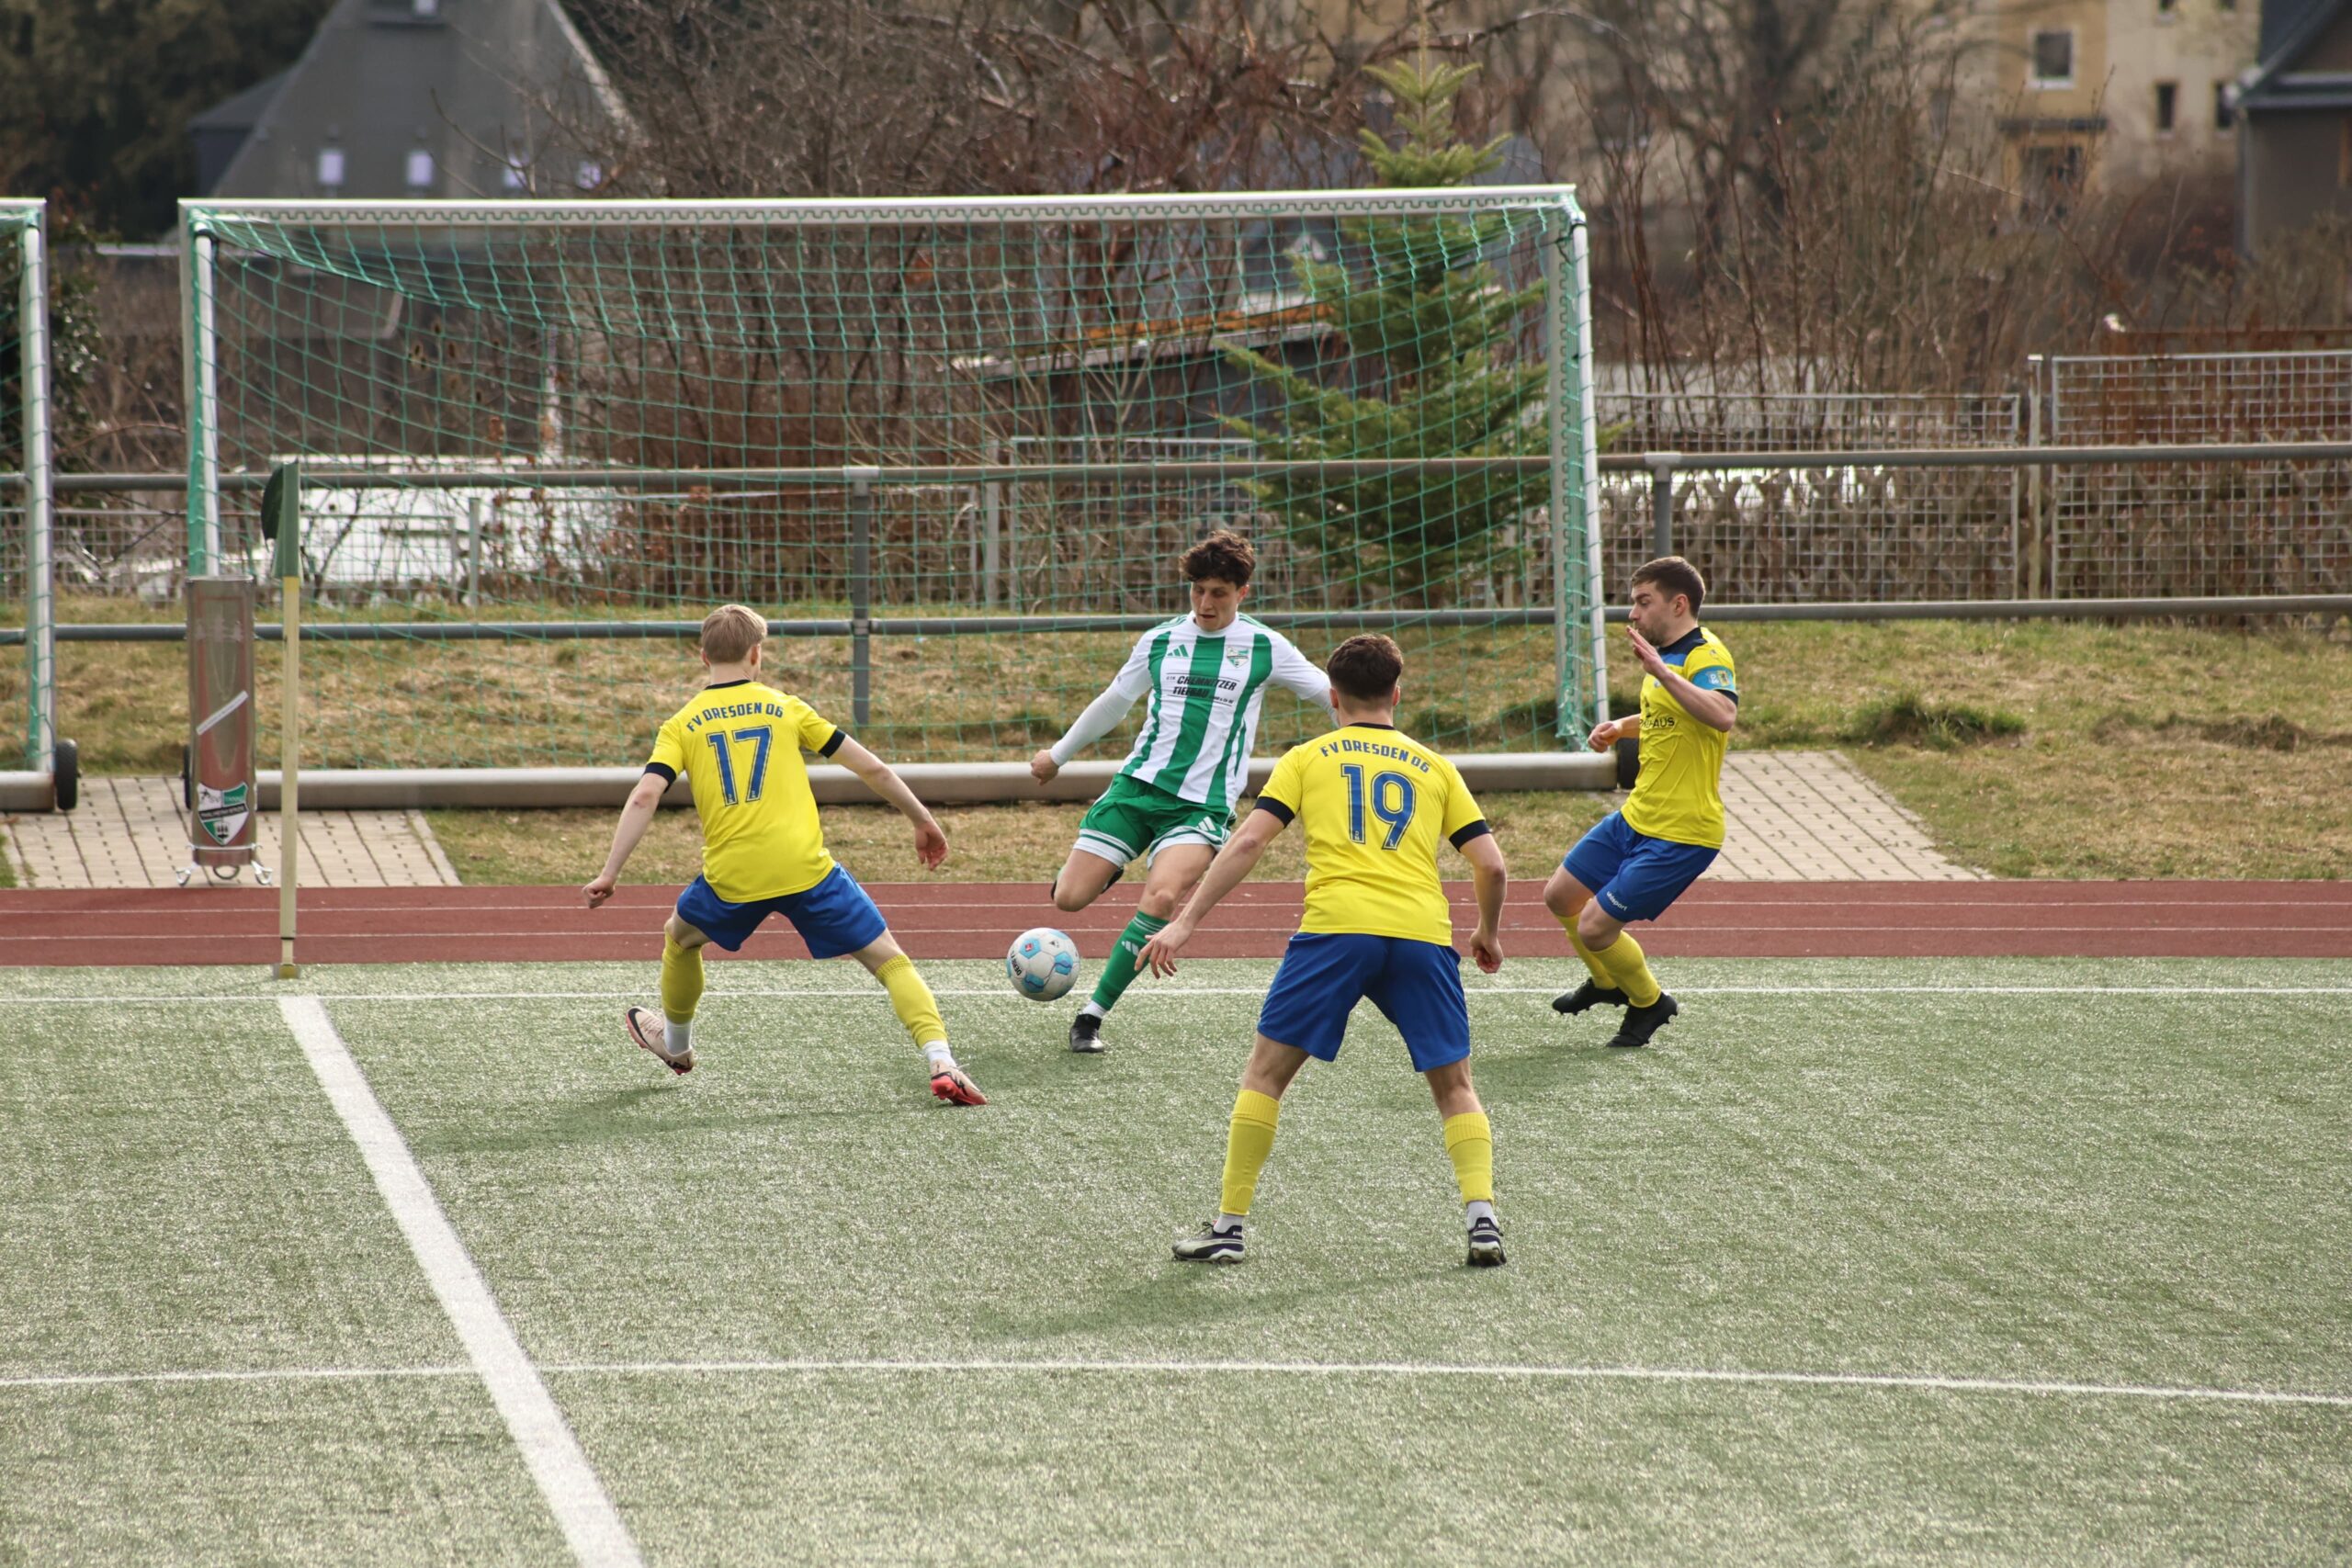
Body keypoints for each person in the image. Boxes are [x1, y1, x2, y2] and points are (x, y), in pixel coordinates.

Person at [1138, 634, 1510, 1268]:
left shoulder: (1308, 757)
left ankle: (1229, 1226)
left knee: (1266, 1074)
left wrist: (1185, 920)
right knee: (1454, 1085)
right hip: (1421, 934)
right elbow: (1492, 864)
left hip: (1337, 930)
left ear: (1331, 697)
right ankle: (1482, 1218)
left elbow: (1250, 843)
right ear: (1398, 693)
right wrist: (1486, 930)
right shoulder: (1435, 765)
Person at [583, 603, 985, 1106]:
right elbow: (873, 769)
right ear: (758, 654)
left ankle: (677, 1047)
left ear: (702, 656)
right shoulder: (786, 707)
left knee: (680, 939)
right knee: (890, 961)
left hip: (732, 877)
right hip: (807, 869)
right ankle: (942, 1060)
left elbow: (646, 796)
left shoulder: (681, 724)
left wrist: (610, 871)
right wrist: (922, 819)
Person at [1029, 530, 1332, 1055]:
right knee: (1068, 900)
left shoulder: (1264, 646)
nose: (1205, 603)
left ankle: (1090, 1017)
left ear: (1243, 592)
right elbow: (1113, 702)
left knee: (1164, 897)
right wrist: (1057, 755)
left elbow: (1331, 693)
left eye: (1218, 592)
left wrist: (1364, 741)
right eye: (1197, 590)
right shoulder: (1160, 639)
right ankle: (1109, 865)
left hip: (1201, 806)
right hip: (1137, 789)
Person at [1545, 556, 1737, 1050]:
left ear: (1679, 604)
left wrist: (1661, 672)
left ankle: (1650, 1002)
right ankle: (1608, 983)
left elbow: (1721, 714)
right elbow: (1667, 711)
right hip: (1637, 816)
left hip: (1682, 832)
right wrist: (1621, 727)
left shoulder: (1704, 654)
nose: (1632, 614)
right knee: (1560, 896)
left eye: (1642, 601)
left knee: (1593, 928)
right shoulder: (1666, 656)